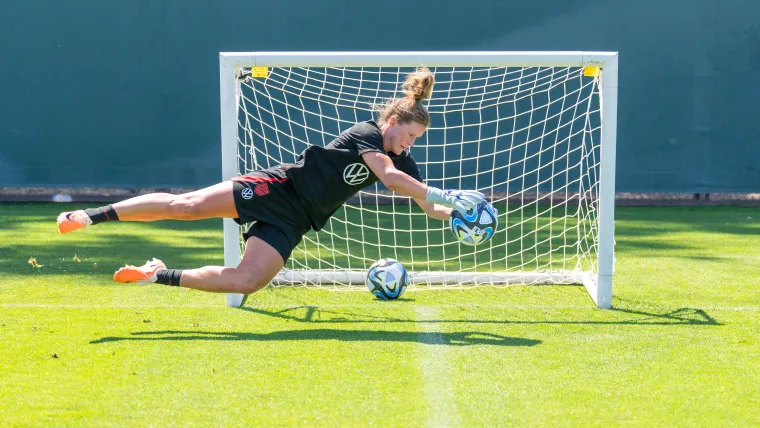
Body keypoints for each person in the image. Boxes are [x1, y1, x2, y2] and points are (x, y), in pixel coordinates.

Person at [56, 67, 485, 295]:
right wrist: (444, 194)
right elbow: (390, 180)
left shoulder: (402, 158)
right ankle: (91, 216)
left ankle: (157, 275)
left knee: (250, 281)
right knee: (186, 207)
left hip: (296, 218)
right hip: (278, 188)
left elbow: (427, 203)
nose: (409, 145)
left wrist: (457, 214)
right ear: (391, 122)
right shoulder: (368, 136)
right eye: (408, 135)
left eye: (415, 141)